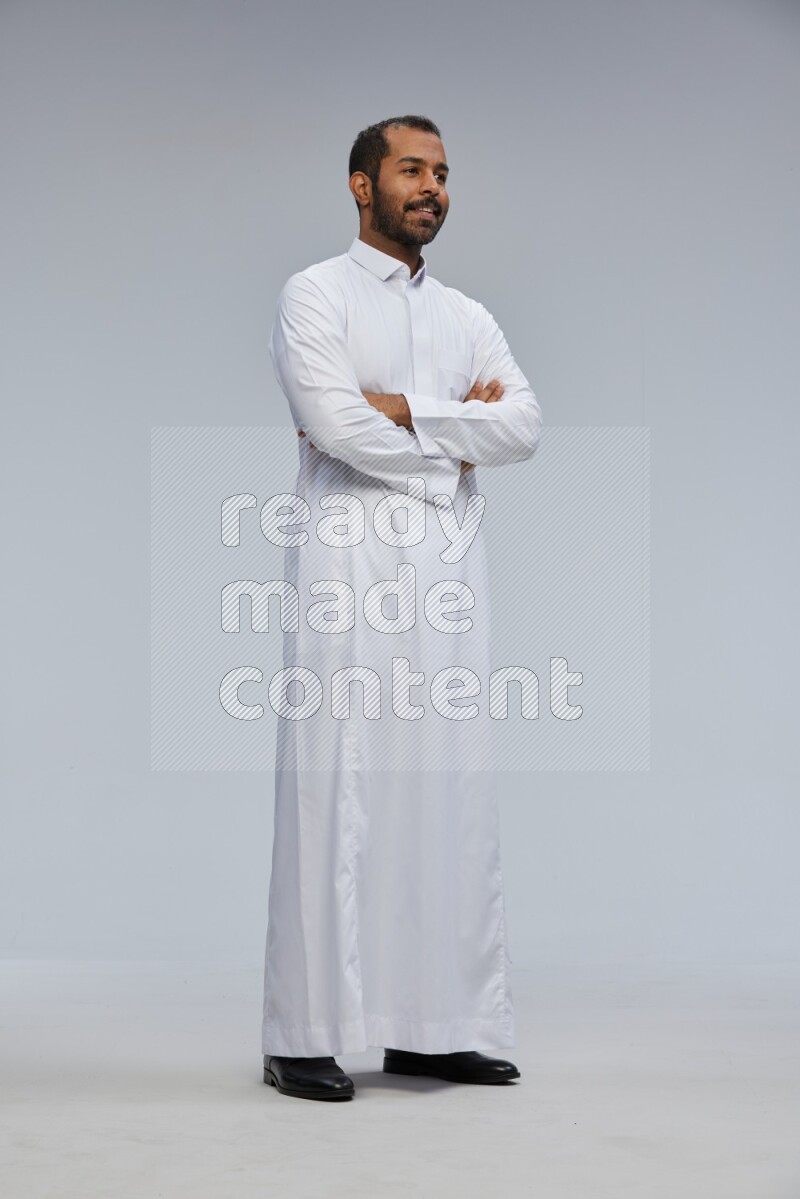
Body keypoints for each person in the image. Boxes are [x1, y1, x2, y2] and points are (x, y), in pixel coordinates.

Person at [261, 114, 542, 1101]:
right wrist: (451, 438)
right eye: (411, 169)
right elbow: (333, 422)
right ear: (359, 184)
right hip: (348, 564)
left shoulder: (465, 313)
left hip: (449, 575)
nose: (431, 187)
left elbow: (523, 424)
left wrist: (409, 410)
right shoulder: (316, 294)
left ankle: (435, 1026)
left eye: (442, 173)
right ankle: (302, 1030)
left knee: (445, 790)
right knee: (336, 786)